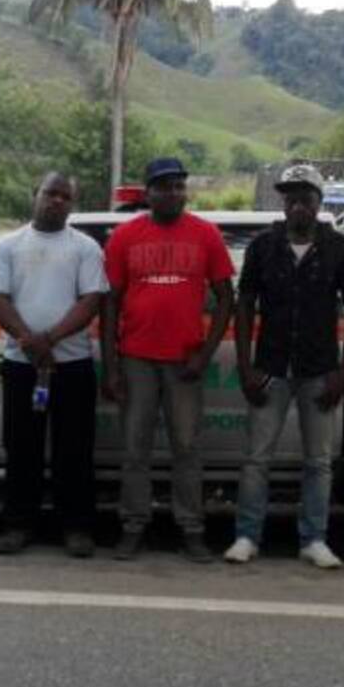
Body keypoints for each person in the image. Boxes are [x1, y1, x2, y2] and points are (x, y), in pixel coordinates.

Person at [224, 165, 344, 569]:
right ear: (283, 203)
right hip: (270, 367)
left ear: (320, 203)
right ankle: (247, 536)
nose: (298, 205)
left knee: (318, 462)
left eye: (306, 198)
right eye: (291, 198)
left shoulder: (339, 249)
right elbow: (245, 304)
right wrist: (247, 367)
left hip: (320, 370)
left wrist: (343, 372)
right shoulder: (262, 248)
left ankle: (314, 539)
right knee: (256, 458)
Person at [102, 157, 235, 562]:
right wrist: (112, 367)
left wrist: (205, 353)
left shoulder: (206, 234)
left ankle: (191, 528)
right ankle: (132, 525)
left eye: (179, 185)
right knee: (134, 449)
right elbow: (110, 304)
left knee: (187, 448)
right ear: (148, 192)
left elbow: (227, 297)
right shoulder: (124, 236)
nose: (173, 192)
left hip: (185, 362)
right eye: (164, 186)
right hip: (136, 359)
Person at [0, 173, 107, 558]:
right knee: (22, 447)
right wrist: (29, 342)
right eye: (50, 194)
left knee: (75, 449)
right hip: (23, 366)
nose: (56, 201)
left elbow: (91, 301)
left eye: (65, 196)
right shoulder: (9, 245)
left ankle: (77, 528)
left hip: (71, 366)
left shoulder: (85, 248)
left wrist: (48, 339)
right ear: (34, 194)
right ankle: (18, 524)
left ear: (73, 204)